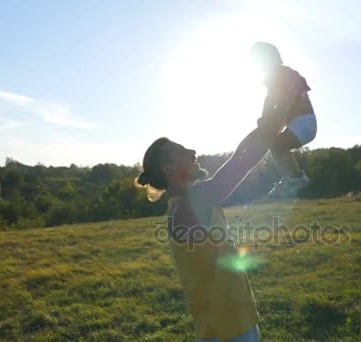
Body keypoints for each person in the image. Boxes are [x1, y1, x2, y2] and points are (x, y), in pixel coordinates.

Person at [136, 74, 306, 341]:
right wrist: (281, 107)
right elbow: (241, 162)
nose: (193, 152)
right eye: (182, 151)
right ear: (169, 169)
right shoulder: (192, 205)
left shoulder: (191, 202)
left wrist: (274, 115)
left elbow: (242, 168)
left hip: (230, 323)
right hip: (227, 331)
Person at [250, 41, 317, 198]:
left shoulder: (278, 75)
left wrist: (265, 118)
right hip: (304, 122)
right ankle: (295, 178)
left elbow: (272, 99)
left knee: (277, 146)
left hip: (303, 122)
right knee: (278, 146)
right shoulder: (285, 73)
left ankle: (295, 179)